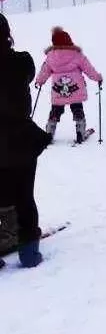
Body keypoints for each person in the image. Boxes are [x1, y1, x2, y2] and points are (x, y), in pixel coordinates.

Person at [0, 14, 52, 268]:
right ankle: (29, 253)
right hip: (20, 139)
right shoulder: (21, 62)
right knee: (24, 196)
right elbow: (28, 74)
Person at [35, 27, 103, 143]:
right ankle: (80, 130)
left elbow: (44, 71)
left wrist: (39, 81)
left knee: (56, 110)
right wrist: (98, 78)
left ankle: (50, 131)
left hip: (58, 90)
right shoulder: (77, 54)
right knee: (77, 108)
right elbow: (88, 69)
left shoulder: (51, 56)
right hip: (75, 90)